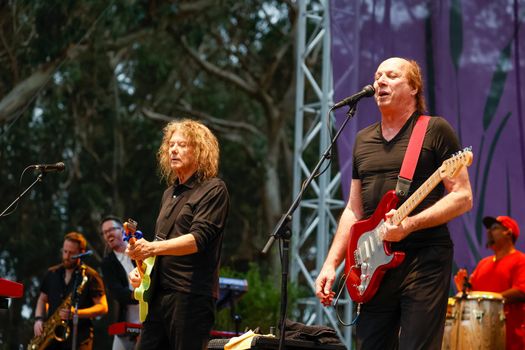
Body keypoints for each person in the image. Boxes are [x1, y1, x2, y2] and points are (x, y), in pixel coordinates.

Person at [314, 57, 473, 349]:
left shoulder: (435, 130)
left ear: (413, 87)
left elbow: (462, 197)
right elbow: (354, 210)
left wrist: (409, 224)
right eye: (377, 76)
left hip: (424, 259)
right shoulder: (363, 139)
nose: (380, 81)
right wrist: (330, 264)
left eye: (391, 75)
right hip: (374, 264)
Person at [126, 119, 230, 350]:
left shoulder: (213, 189)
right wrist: (143, 270)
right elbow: (163, 244)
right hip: (158, 294)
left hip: (191, 296)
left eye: (182, 145)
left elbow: (197, 239)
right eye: (171, 145)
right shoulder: (169, 193)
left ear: (200, 151)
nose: (173, 149)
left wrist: (150, 248)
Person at [454, 215, 525, 350]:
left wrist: (490, 302)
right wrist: (464, 290)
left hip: (511, 338)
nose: (488, 232)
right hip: (479, 337)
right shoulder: (483, 263)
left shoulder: (521, 260)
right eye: (488, 229)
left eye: (494, 228)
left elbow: (522, 291)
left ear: (508, 233)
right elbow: (475, 297)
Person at [32, 232, 108, 350]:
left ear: (81, 253)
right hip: (52, 338)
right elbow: (42, 299)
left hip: (80, 338)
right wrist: (38, 319)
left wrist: (77, 313)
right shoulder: (52, 273)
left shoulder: (91, 276)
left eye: (71, 253)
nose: (66, 256)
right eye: (65, 251)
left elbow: (103, 307)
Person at [100, 215, 140, 350]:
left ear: (123, 230)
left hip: (150, 318)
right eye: (105, 232)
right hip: (126, 322)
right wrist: (140, 296)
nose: (108, 234)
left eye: (111, 229)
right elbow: (116, 292)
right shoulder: (107, 263)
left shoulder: (139, 250)